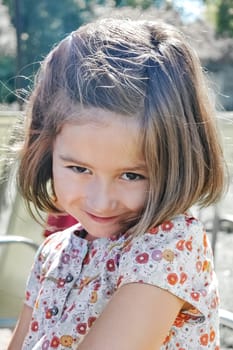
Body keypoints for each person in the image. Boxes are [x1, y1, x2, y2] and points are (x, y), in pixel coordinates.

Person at [8, 18, 226, 349]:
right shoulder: (53, 253)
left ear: (177, 165)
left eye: (132, 175)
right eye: (79, 169)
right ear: (46, 148)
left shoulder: (170, 245)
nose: (101, 200)